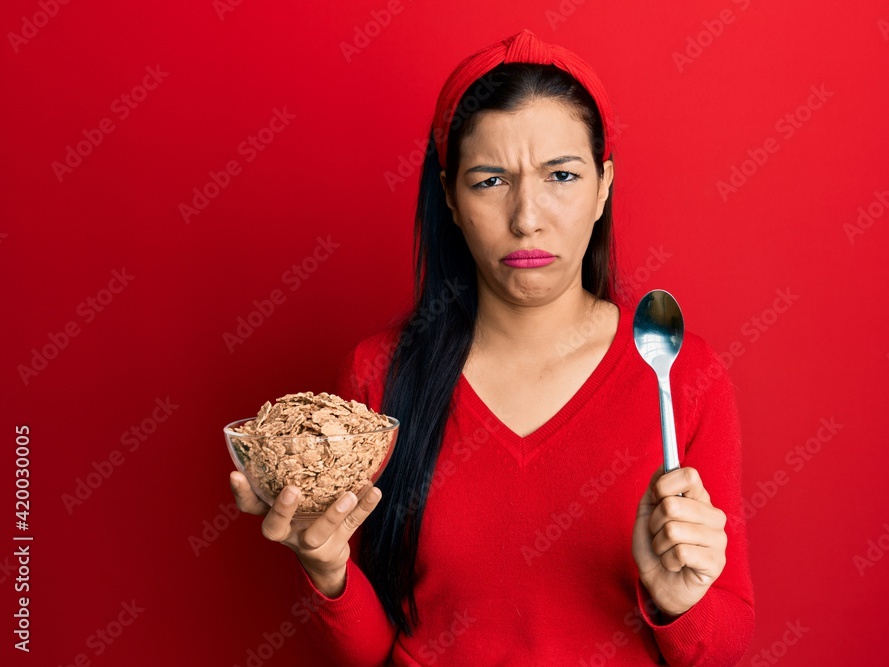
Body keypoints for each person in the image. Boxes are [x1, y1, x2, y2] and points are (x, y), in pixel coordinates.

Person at [229, 28, 754, 666]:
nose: (527, 216)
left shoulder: (681, 372)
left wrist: (679, 601)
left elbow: (723, 649)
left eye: (561, 174)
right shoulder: (378, 374)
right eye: (490, 181)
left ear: (604, 186)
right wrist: (326, 566)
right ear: (449, 196)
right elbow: (371, 654)